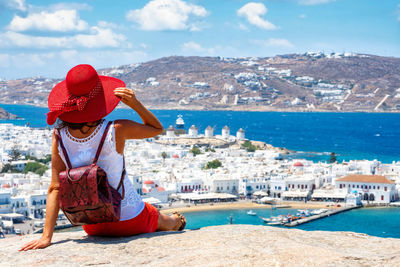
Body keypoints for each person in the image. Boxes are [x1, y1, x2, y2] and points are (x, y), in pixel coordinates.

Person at [20, 64, 186, 251]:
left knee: (151, 212)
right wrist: (135, 104)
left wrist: (46, 237)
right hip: (131, 219)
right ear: (100, 101)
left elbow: (55, 187)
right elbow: (157, 129)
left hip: (92, 223)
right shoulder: (117, 129)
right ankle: (177, 221)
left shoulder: (59, 135)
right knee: (163, 217)